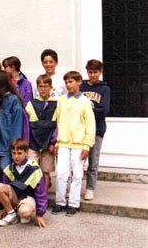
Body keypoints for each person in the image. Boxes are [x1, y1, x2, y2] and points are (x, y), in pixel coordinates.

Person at [52, 71, 95, 216]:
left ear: (79, 82)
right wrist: (57, 141)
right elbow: (58, 122)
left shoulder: (85, 102)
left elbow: (90, 125)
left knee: (77, 174)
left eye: (71, 82)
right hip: (63, 143)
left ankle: (73, 203)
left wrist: (87, 146)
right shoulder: (61, 100)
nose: (68, 85)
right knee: (61, 173)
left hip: (79, 144)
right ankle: (60, 202)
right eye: (66, 82)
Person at [0, 139, 48, 227]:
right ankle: (11, 214)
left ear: (26, 152)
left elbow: (41, 193)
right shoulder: (10, 168)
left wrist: (40, 214)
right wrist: (6, 208)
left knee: (24, 212)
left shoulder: (34, 169)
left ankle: (23, 213)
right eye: (14, 153)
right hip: (15, 197)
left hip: (28, 198)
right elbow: (5, 188)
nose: (16, 156)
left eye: (19, 153)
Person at [81, 59, 110, 201]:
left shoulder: (105, 89)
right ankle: (74, 188)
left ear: (100, 72)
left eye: (95, 72)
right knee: (77, 161)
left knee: (93, 161)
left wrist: (88, 108)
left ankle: (90, 188)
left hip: (97, 130)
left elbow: (103, 110)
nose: (93, 75)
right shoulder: (81, 87)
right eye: (90, 72)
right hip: (80, 129)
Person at [25, 74, 57, 191]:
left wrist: (54, 142)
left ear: (51, 87)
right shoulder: (31, 104)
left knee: (46, 170)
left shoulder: (57, 104)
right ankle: (33, 194)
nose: (43, 89)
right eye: (40, 86)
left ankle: (44, 195)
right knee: (31, 169)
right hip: (33, 143)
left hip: (48, 144)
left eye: (46, 86)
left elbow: (57, 126)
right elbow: (27, 125)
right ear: (37, 88)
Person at [0, 70, 25, 180]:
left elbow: (16, 126)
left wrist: (13, 148)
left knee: (7, 173)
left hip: (7, 147)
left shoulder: (13, 100)